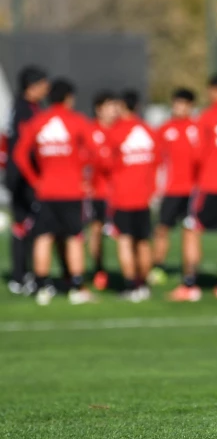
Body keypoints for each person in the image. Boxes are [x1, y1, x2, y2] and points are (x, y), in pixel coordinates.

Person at [12, 78, 98, 305]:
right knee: (74, 237)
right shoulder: (78, 121)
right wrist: (82, 172)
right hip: (72, 191)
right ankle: (77, 287)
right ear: (69, 98)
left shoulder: (38, 121)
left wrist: (35, 180)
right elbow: (94, 152)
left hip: (46, 190)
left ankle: (41, 286)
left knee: (43, 237)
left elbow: (19, 155)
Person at [176, 73, 217, 302]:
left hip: (211, 183)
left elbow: (197, 153)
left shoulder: (208, 117)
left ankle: (190, 284)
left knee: (191, 230)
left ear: (215, 90)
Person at [105, 90, 159, 302]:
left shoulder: (115, 131)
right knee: (143, 242)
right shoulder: (148, 131)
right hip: (144, 197)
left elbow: (106, 164)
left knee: (125, 242)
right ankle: (143, 284)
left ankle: (130, 285)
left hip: (122, 196)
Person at [5, 66, 49, 295]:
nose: (46, 88)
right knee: (27, 226)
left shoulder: (28, 107)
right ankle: (22, 276)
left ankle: (22, 275)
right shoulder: (24, 110)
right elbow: (23, 148)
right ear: (32, 86)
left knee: (25, 225)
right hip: (23, 177)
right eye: (43, 83)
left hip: (21, 175)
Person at [157, 89, 201, 301]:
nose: (179, 108)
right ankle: (158, 267)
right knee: (162, 229)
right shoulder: (165, 129)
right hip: (171, 189)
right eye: (176, 103)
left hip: (192, 191)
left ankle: (190, 275)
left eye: (184, 104)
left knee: (189, 232)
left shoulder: (197, 129)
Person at [85, 90, 119, 291]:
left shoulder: (121, 130)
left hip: (121, 194)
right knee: (95, 231)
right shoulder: (90, 131)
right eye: (109, 106)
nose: (114, 111)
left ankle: (133, 275)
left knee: (127, 234)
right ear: (99, 109)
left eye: (115, 106)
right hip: (98, 193)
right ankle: (99, 270)